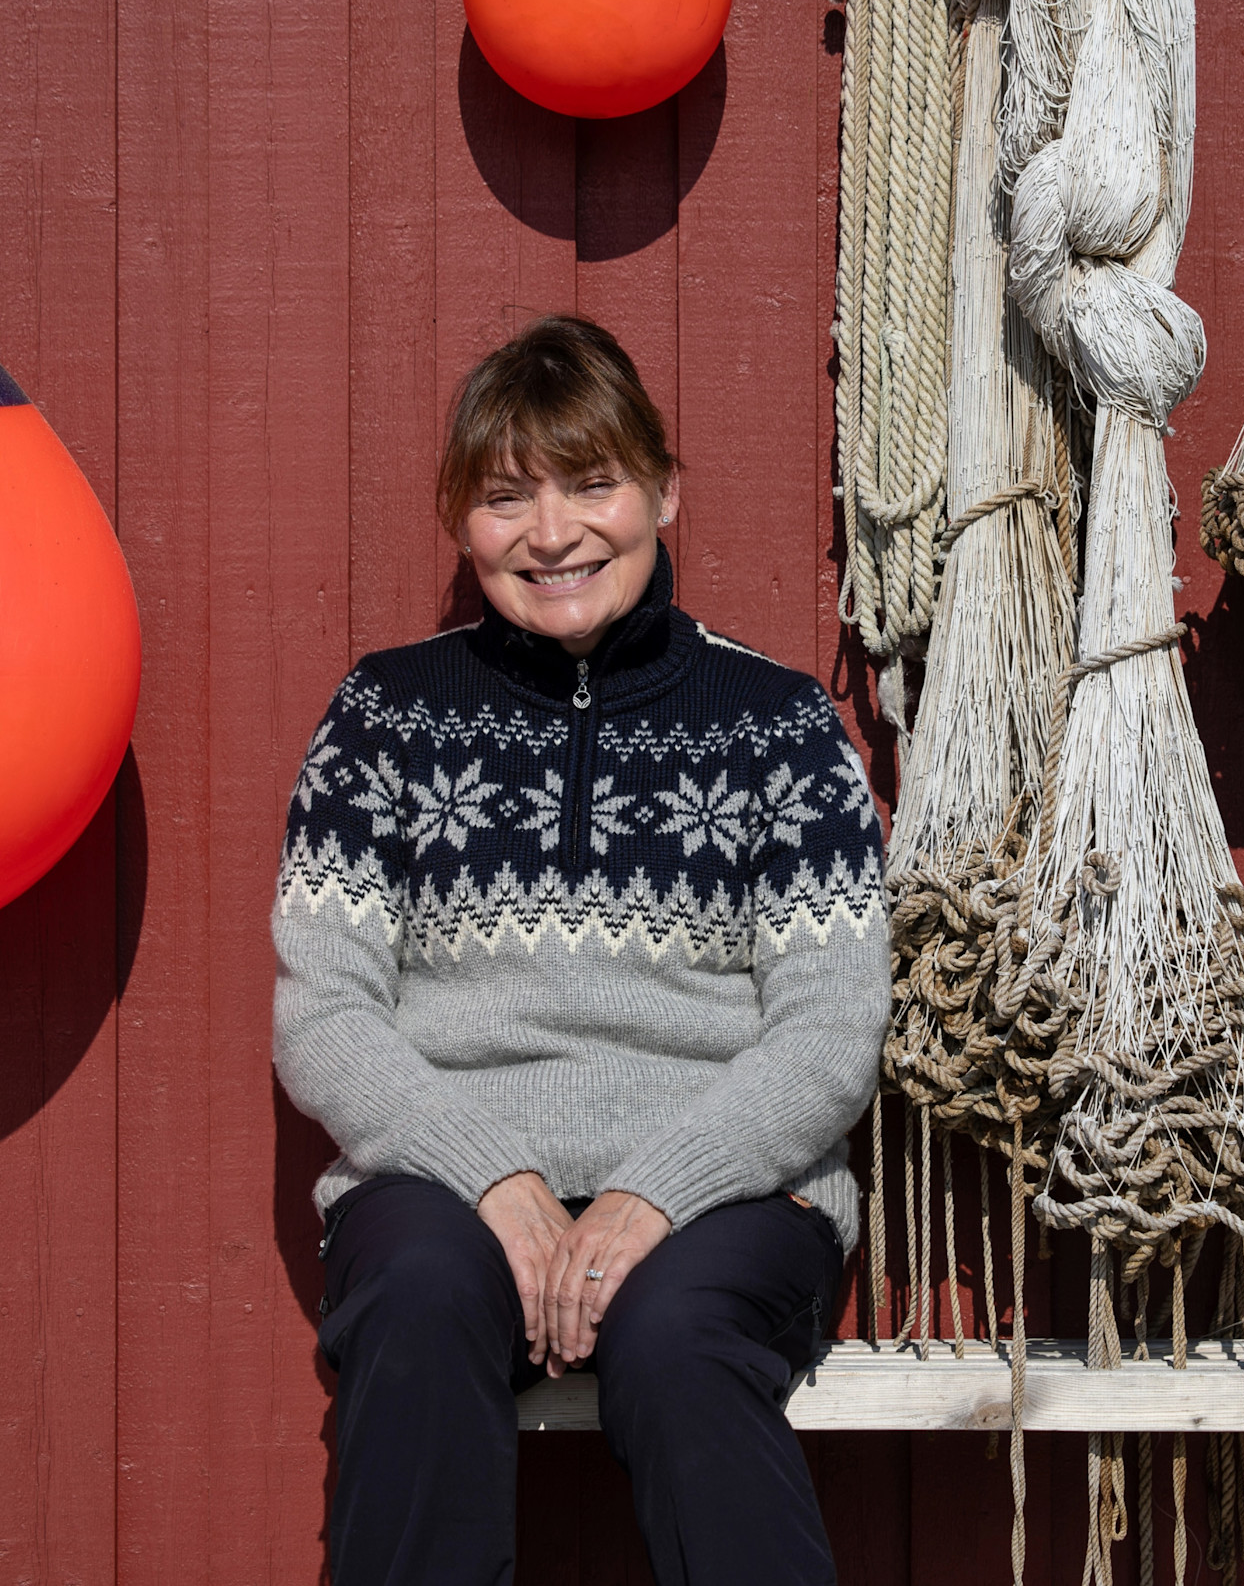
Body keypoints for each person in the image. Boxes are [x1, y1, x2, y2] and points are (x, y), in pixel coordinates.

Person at [272, 316, 891, 1586]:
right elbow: (325, 1017)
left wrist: (651, 1191)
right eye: (507, 498)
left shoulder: (778, 727)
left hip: (725, 1194)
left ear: (665, 489)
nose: (552, 534)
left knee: (675, 1338)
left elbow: (829, 1035)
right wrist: (492, 1176)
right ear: (461, 521)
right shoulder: (383, 719)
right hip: (443, 1186)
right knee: (424, 1297)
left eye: (592, 484)